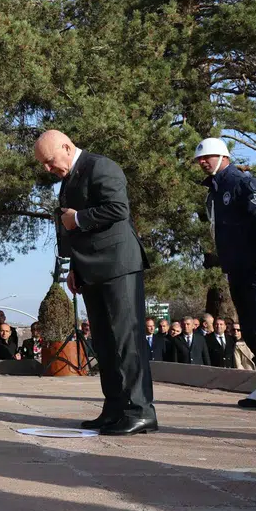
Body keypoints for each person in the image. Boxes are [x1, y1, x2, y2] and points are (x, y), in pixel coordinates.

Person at [37, 130, 155, 436]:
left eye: (49, 162)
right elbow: (72, 230)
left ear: (66, 146)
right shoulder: (69, 179)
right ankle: (115, 407)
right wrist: (74, 268)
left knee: (127, 339)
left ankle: (140, 410)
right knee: (104, 341)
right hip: (91, 269)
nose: (48, 169)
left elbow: (118, 209)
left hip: (118, 265)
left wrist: (77, 219)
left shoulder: (101, 166)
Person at [195, 137, 256, 410]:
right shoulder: (215, 190)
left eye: (208, 157)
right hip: (237, 268)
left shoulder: (243, 183)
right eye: (200, 159)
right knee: (250, 330)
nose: (203, 162)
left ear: (224, 157)